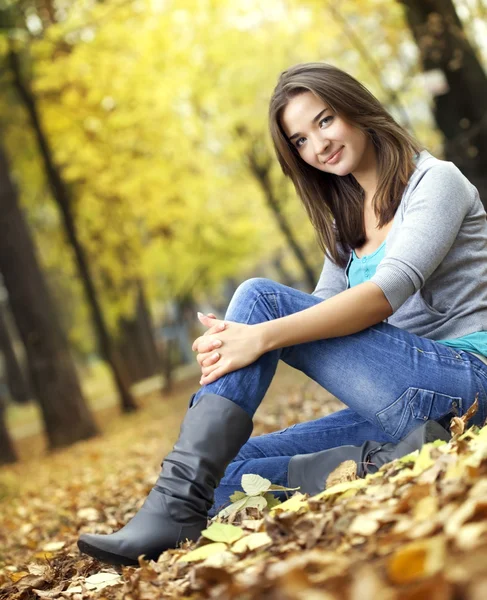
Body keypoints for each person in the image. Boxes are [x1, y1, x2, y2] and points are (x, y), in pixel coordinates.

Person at [77, 62, 487, 566]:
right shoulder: (346, 225)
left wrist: (259, 336)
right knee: (231, 470)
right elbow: (320, 316)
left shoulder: (435, 182)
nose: (317, 144)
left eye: (324, 120)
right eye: (299, 140)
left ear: (356, 108)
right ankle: (383, 459)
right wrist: (239, 340)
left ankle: (171, 506)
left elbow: (385, 294)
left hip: (468, 381)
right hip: (406, 409)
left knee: (260, 299)